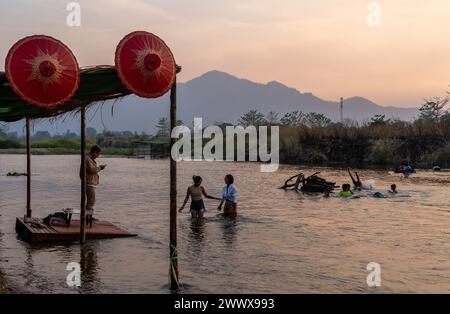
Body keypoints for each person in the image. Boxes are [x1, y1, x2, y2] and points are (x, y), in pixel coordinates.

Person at [80, 145, 106, 227]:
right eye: (97, 154)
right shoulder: (87, 159)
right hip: (89, 184)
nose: (98, 156)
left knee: (90, 202)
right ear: (94, 152)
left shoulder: (89, 159)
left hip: (90, 183)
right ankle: (88, 217)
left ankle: (88, 216)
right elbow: (92, 170)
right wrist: (100, 168)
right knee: (91, 202)